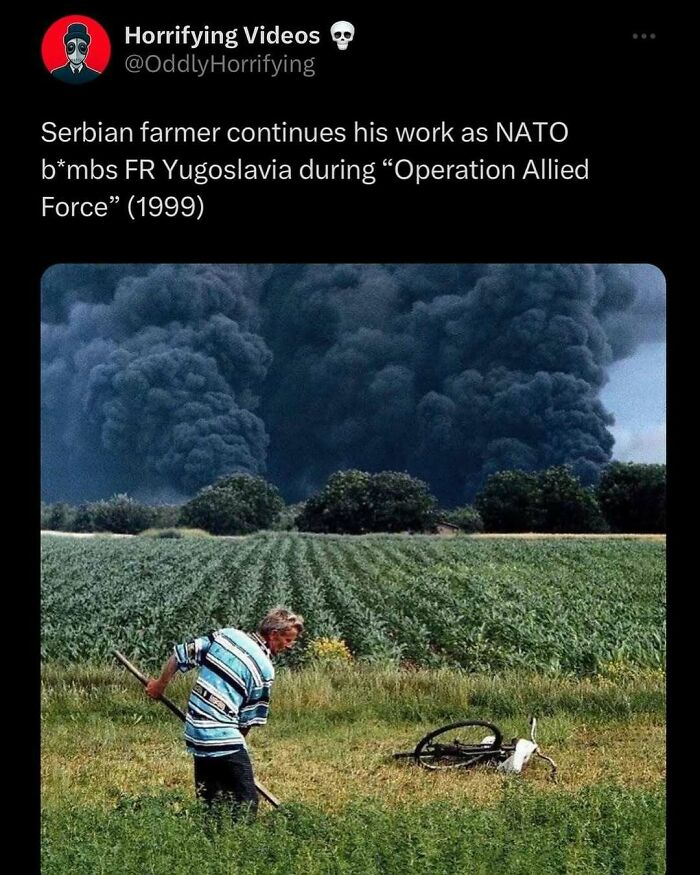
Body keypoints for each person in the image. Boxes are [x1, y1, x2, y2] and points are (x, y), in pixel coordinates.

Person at [146, 606, 303, 821]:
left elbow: (180, 654)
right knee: (246, 801)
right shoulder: (265, 669)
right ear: (274, 634)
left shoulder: (227, 635)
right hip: (221, 734)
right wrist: (235, 749)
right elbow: (247, 721)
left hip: (194, 730)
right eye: (288, 639)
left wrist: (159, 685)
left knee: (209, 797)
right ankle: (240, 838)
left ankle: (210, 833)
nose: (290, 646)